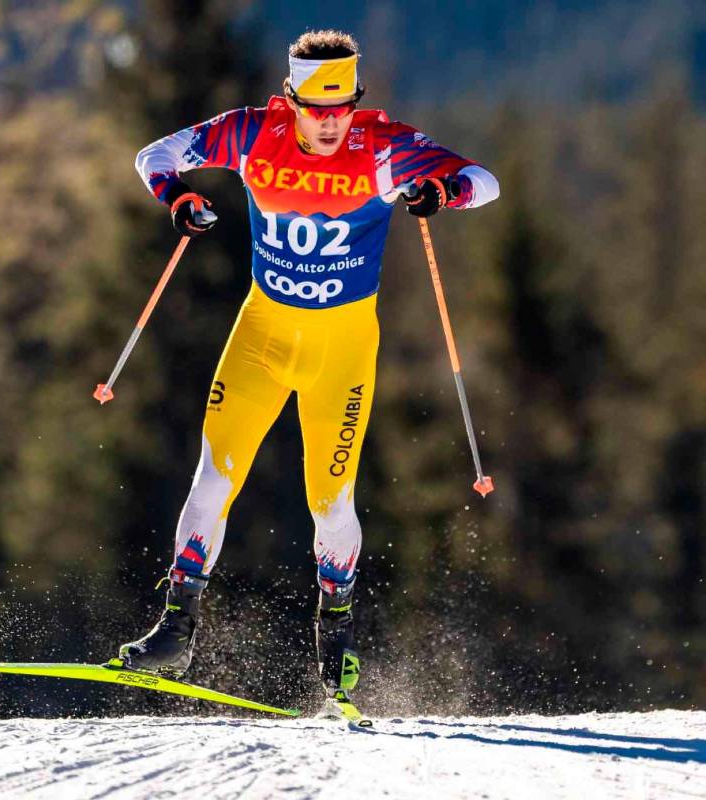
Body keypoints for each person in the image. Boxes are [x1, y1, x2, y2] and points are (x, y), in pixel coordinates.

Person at [118, 29, 499, 702]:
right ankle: (176, 626)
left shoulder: (382, 148)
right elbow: (155, 155)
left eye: (341, 108)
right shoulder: (250, 134)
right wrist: (178, 199)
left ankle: (337, 632)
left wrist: (443, 194)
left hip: (341, 349)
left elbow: (485, 182)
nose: (329, 124)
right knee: (215, 474)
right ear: (290, 99)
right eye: (315, 110)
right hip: (262, 333)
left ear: (355, 103)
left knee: (330, 501)